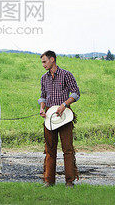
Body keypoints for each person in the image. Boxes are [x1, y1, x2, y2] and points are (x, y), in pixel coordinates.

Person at [38, 50, 80, 187]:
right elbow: (43, 96)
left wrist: (64, 105)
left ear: (52, 60)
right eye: (42, 62)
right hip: (50, 116)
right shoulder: (44, 78)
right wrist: (42, 108)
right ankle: (49, 180)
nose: (43, 64)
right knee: (49, 149)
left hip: (65, 115)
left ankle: (69, 181)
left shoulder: (66, 75)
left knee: (67, 149)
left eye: (45, 61)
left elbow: (76, 93)